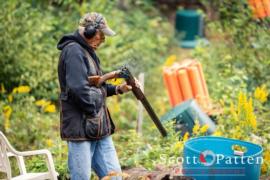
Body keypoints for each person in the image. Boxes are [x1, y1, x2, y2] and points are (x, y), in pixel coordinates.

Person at [57, 12, 132, 180]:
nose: (102, 40)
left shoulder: (88, 52)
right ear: (90, 31)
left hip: (98, 126)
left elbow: (98, 86)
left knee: (115, 177)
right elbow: (79, 90)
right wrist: (96, 103)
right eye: (101, 35)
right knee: (81, 177)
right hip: (80, 128)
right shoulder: (74, 52)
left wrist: (119, 88)